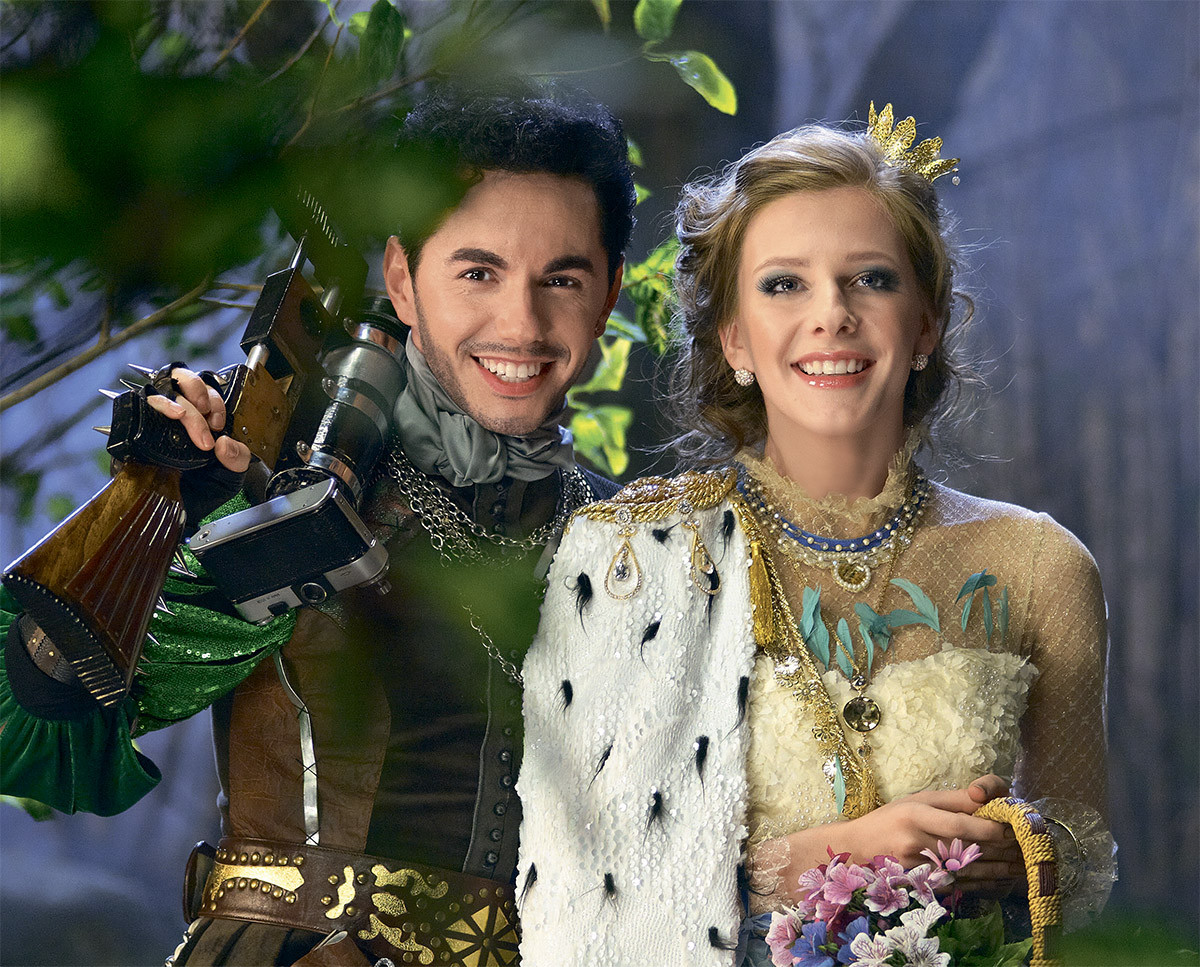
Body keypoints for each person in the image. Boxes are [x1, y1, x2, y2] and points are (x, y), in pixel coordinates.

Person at [0, 85, 635, 966]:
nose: (521, 324)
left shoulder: (630, 536)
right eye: (478, 272)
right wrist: (174, 512)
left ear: (608, 295)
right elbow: (43, 703)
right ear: (403, 279)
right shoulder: (278, 464)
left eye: (560, 279)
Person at [516, 104, 1114, 966]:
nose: (832, 313)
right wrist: (836, 855)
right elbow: (573, 890)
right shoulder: (632, 555)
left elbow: (1084, 859)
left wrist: (1017, 852)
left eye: (871, 278)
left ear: (927, 323)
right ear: (733, 337)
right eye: (784, 284)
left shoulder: (1038, 565)